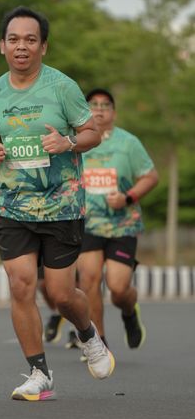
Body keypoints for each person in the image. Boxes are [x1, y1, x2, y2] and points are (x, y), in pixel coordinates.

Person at [0, 6, 115, 401]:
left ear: (43, 47)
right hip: (13, 204)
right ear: (2, 46)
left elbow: (92, 133)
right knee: (21, 284)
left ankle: (88, 334)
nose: (21, 46)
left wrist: (68, 142)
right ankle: (38, 372)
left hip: (61, 205)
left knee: (60, 293)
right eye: (14, 40)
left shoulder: (62, 87)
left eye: (30, 39)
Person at [76, 88, 159, 348]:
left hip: (122, 224)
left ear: (113, 112)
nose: (99, 109)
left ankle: (129, 311)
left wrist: (127, 197)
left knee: (118, 289)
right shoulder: (76, 141)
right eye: (93, 104)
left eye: (106, 105)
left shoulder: (128, 143)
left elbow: (150, 177)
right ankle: (99, 343)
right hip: (88, 223)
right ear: (85, 111)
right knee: (88, 280)